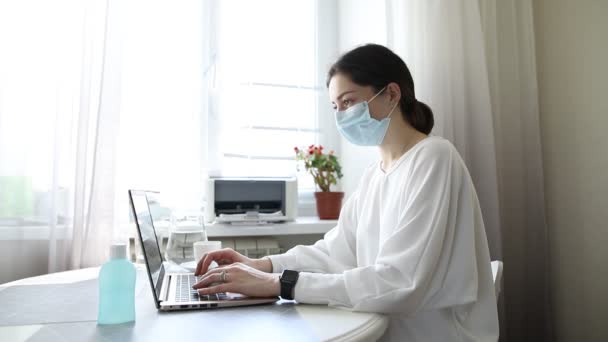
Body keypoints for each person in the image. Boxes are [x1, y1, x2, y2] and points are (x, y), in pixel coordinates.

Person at [193, 44, 499, 341]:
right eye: (335, 107)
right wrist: (261, 265)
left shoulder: (434, 157)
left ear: (392, 94)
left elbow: (401, 281)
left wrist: (279, 284)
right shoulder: (374, 176)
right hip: (386, 329)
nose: (341, 115)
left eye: (349, 102)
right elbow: (336, 252)